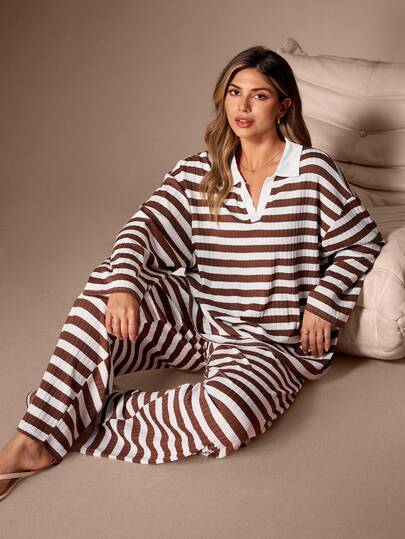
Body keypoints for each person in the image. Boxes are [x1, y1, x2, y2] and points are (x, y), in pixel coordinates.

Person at [0, 45, 385, 500]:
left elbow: (362, 242)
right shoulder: (199, 171)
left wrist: (322, 302)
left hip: (268, 345)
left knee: (228, 415)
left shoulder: (312, 171)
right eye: (235, 92)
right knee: (105, 288)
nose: (243, 106)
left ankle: (65, 417)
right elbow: (143, 228)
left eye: (259, 96)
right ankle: (31, 441)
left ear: (283, 106)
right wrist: (124, 285)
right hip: (196, 319)